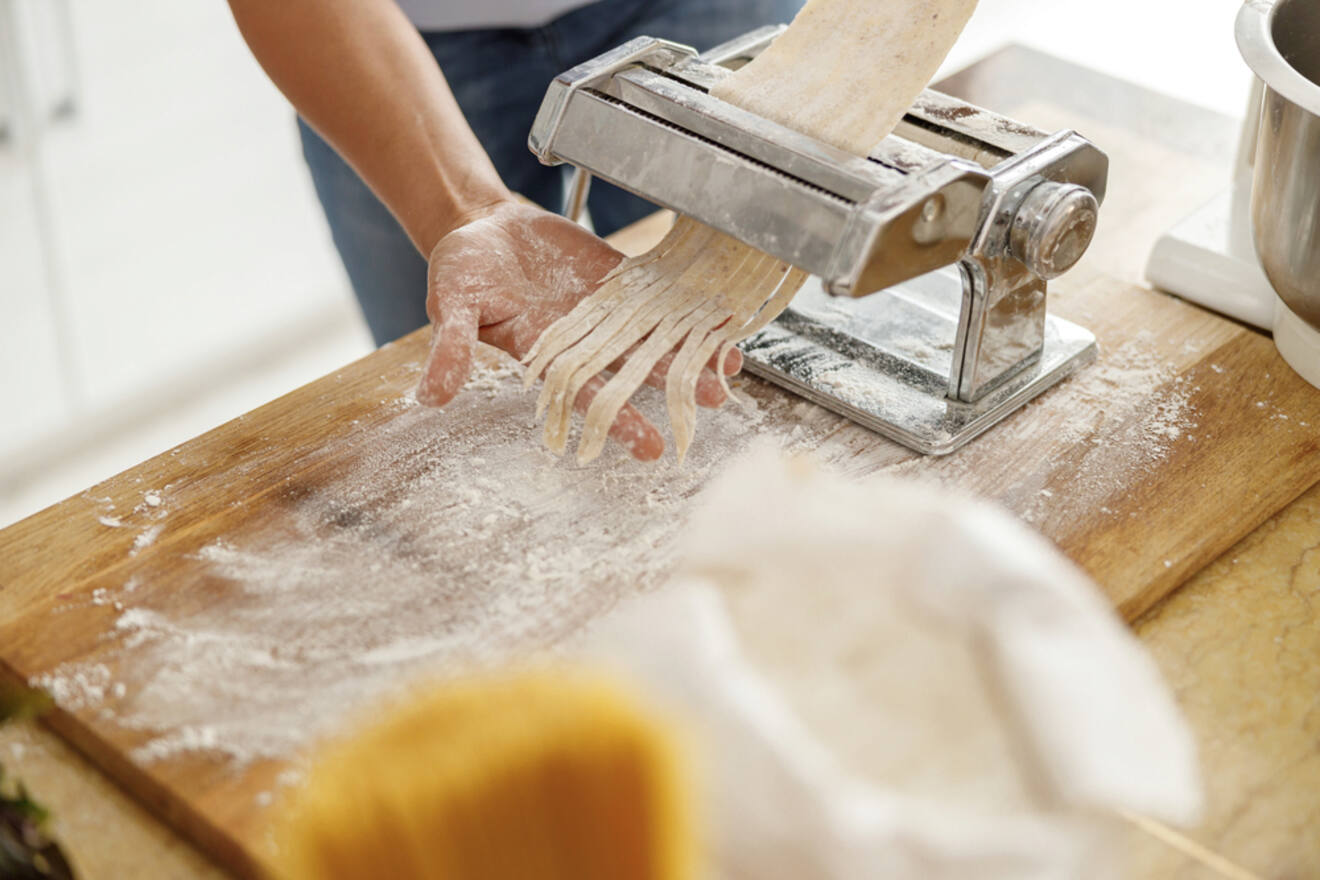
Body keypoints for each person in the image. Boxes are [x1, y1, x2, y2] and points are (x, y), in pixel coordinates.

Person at [226, 0, 803, 460]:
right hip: (383, 42)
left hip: (708, 10)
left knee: (750, 363)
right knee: (446, 422)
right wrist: (464, 211)